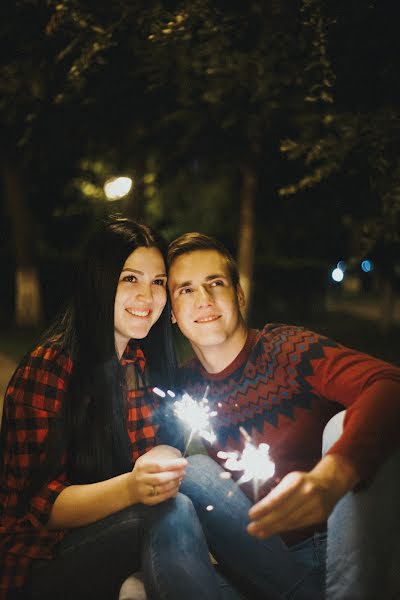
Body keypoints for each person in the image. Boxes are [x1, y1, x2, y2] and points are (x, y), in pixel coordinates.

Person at [0, 218, 242, 600]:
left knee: (195, 477)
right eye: (130, 279)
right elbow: (42, 508)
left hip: (115, 540)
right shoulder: (50, 367)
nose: (147, 296)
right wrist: (132, 487)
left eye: (158, 282)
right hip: (41, 563)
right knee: (170, 510)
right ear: (100, 281)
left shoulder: (140, 365)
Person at [167, 232, 400, 599]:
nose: (205, 300)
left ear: (239, 295)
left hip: (335, 548)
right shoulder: (182, 384)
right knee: (137, 584)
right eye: (186, 290)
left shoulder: (286, 349)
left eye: (216, 283)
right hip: (264, 559)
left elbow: (388, 383)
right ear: (173, 314)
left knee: (340, 425)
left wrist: (333, 476)